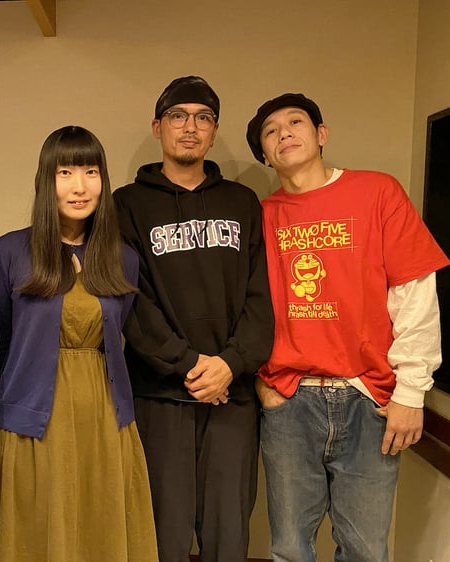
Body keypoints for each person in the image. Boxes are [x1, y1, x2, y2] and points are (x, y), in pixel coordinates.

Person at [246, 92, 450, 562]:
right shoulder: (260, 216)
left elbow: (415, 294)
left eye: (295, 123)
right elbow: (242, 307)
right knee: (289, 549)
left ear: (321, 134)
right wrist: (263, 384)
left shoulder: (378, 193)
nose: (284, 134)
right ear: (266, 155)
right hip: (290, 400)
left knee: (365, 550)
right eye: (271, 132)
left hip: (369, 398)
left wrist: (411, 393)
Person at [0, 125, 158, 562]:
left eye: (91, 172)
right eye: (65, 173)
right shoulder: (10, 251)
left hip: (104, 420)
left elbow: (120, 337)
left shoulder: (122, 258)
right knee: (32, 535)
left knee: (99, 531)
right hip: (29, 423)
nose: (79, 187)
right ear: (46, 181)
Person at [113, 76, 275, 562]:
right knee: (160, 535)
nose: (190, 127)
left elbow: (261, 295)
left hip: (233, 395)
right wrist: (187, 363)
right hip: (160, 395)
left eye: (203, 118)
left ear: (214, 130)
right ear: (158, 127)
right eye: (178, 116)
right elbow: (130, 299)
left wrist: (230, 363)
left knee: (228, 535)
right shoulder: (126, 204)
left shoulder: (242, 203)